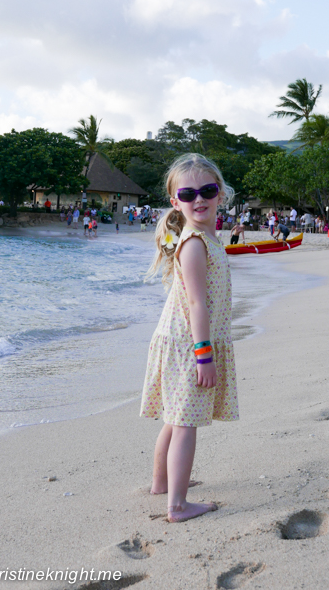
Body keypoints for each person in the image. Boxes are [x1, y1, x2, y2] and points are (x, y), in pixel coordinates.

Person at [140, 153, 238, 523]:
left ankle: (161, 483)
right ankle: (178, 505)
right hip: (189, 344)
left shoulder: (206, 237)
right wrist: (204, 354)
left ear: (220, 194)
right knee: (185, 423)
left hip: (181, 340)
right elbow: (197, 303)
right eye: (188, 193)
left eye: (208, 190)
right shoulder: (194, 243)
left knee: (174, 417)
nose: (199, 199)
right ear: (175, 201)